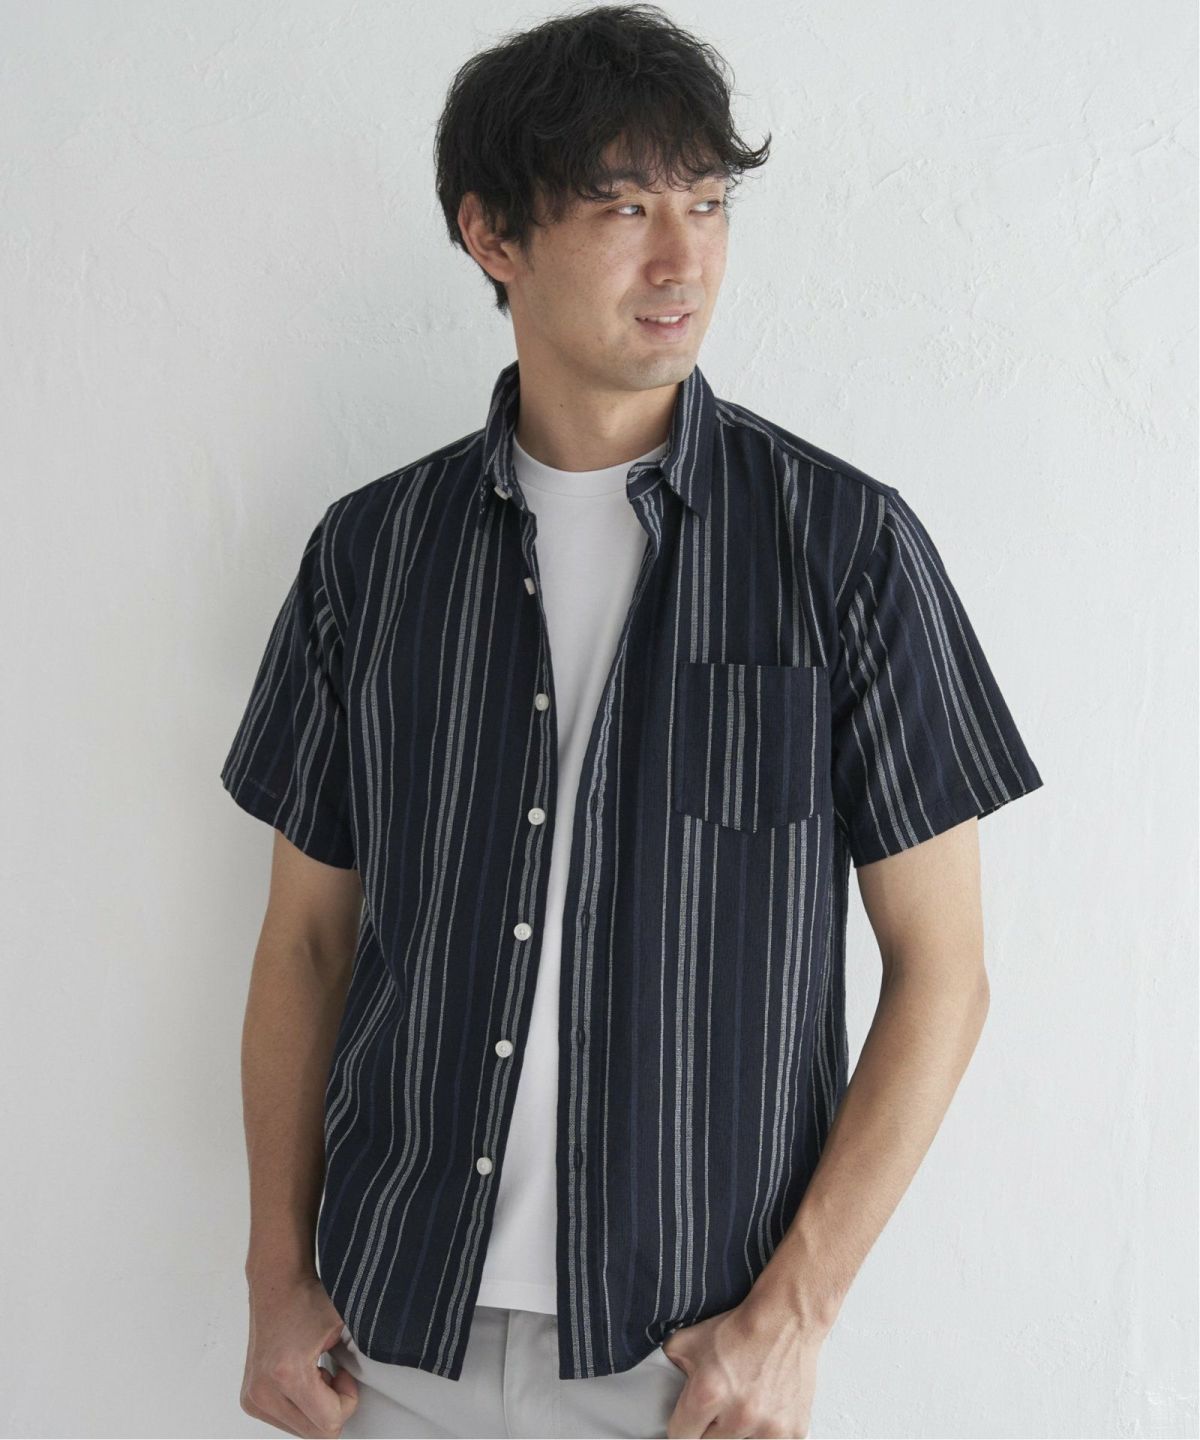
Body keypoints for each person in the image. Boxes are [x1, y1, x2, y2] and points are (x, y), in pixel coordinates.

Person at [218, 5, 1045, 1437]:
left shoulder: (842, 548)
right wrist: (276, 1277)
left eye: (707, 205)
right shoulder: (372, 557)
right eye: (624, 208)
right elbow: (305, 943)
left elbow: (945, 971)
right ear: (492, 235)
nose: (684, 260)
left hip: (682, 1361)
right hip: (389, 1341)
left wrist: (792, 1319)